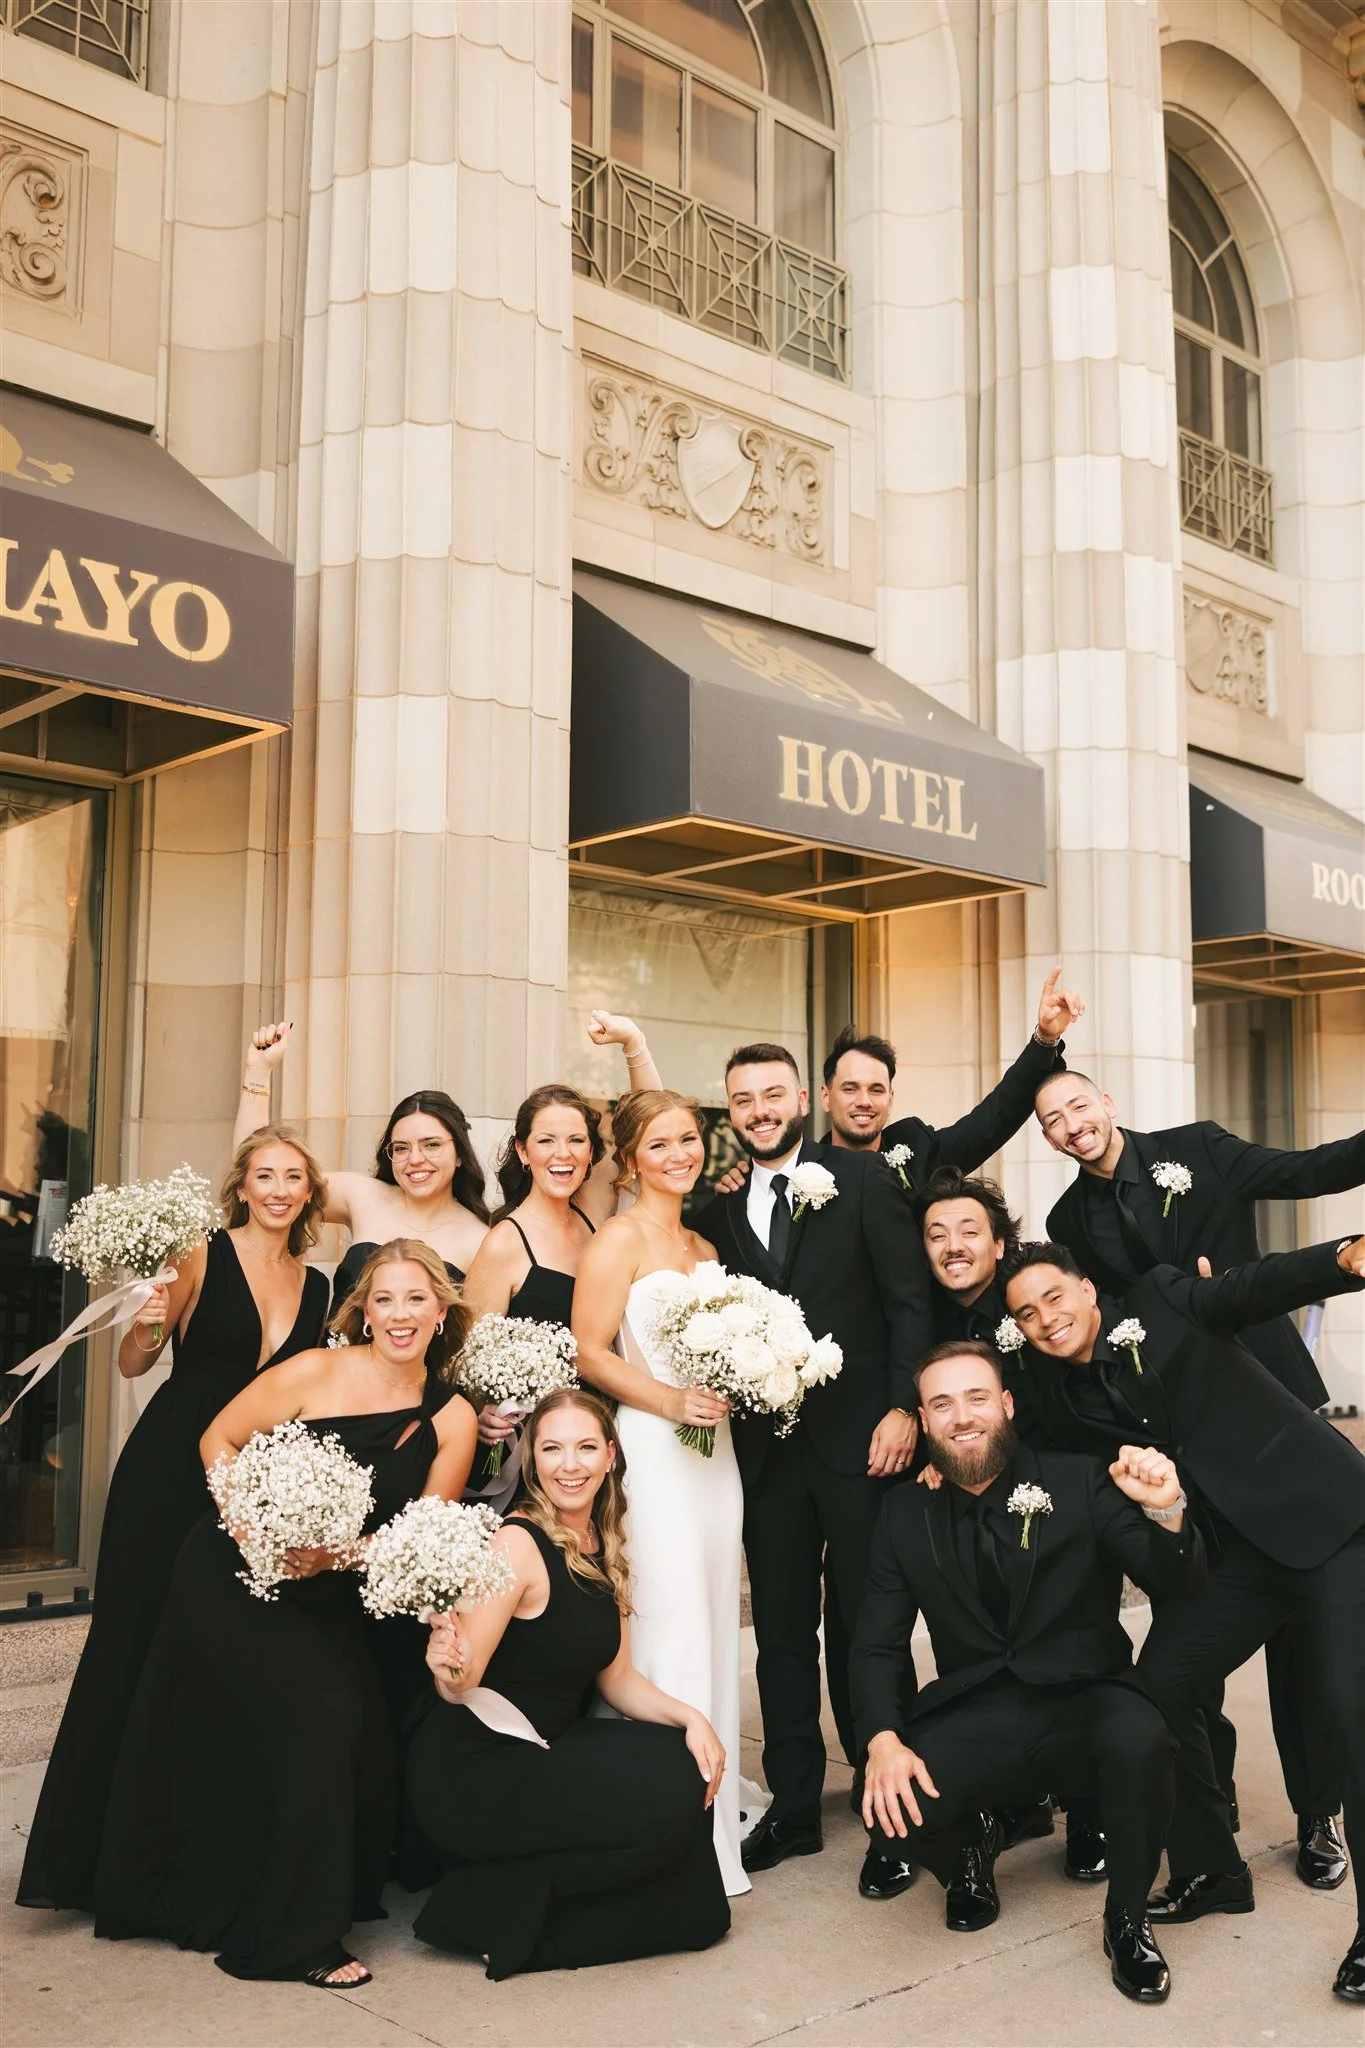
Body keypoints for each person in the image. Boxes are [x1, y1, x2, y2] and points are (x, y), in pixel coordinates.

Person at [93, 1241, 478, 1988]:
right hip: (228, 1575)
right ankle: (297, 1938)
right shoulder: (311, 1371)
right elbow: (219, 1438)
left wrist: (333, 1557)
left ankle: (290, 1901)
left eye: (415, 1300)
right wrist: (253, 1529)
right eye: (384, 1299)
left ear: (441, 1311)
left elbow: (418, 1534)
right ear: (362, 1310)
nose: (398, 1315)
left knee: (342, 1726)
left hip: (326, 1593)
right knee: (320, 1719)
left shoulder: (452, 1416)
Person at [1002, 1236, 1365, 2005]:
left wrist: (1340, 1261)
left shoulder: (1164, 1301)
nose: (1045, 1318)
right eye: (1026, 1314)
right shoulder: (1057, 1397)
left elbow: (1249, 1288)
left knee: (1346, 1714)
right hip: (1232, 1561)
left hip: (1329, 1525)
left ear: (1087, 1290)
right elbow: (1026, 1455)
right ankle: (1210, 1870)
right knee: (1158, 1687)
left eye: (1054, 1298)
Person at [1036, 1067, 1365, 1883]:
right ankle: (1204, 1820)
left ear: (1106, 1103)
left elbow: (1307, 1171)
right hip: (1177, 1427)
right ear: (1045, 1138)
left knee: (1306, 1649)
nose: (1071, 1124)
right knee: (1199, 1622)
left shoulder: (1198, 1148)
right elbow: (1106, 1325)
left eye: (1079, 1105)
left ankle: (1316, 1813)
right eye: (1052, 1119)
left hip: (1267, 1399)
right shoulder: (1065, 1218)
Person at [17, 1126, 331, 1914]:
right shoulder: (200, 1250)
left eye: (294, 1176)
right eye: (265, 1174)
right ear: (243, 1184)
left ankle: (195, 1857)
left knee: (222, 1659)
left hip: (256, 1478)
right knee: (131, 1643)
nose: (279, 1189)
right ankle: (86, 1862)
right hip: (168, 1469)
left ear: (310, 1193)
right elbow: (133, 1361)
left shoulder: (320, 1287)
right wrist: (152, 1317)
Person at [851, 1340, 1204, 2004]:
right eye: (942, 1404)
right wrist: (880, 1742)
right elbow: (874, 1644)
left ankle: (1124, 1921)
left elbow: (1176, 1581)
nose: (962, 1417)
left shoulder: (1079, 1480)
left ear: (1006, 1405)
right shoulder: (903, 1512)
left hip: (1085, 1699)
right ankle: (971, 1850)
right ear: (923, 1421)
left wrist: (1164, 1509)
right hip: (978, 1708)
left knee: (1141, 1738)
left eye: (976, 1398)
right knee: (888, 1809)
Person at [691, 1044, 933, 1873]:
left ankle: (885, 1800)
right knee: (783, 1638)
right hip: (766, 1456)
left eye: (771, 1093)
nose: (758, 1110)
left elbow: (909, 1301)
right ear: (729, 1112)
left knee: (869, 1631)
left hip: (862, 1443)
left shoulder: (860, 1180)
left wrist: (906, 1408)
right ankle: (793, 1807)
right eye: (741, 1099)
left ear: (801, 1097)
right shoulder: (714, 1207)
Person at [407, 1387, 732, 1977]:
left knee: (688, 1778)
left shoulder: (600, 1539)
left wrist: (693, 1719)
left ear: (611, 1454)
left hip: (550, 1745)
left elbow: (619, 1680)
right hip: (476, 1767)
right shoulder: (517, 1543)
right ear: (532, 1460)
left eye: (585, 1447)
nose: (570, 1464)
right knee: (663, 1805)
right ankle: (482, 1906)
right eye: (552, 1449)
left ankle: (518, 1896)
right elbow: (462, 1680)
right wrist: (446, 1662)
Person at [571, 1090, 748, 1896]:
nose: (678, 1154)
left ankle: (713, 1808)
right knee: (668, 1617)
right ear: (632, 1158)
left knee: (710, 1614)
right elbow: (587, 1352)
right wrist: (670, 1401)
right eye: (659, 1143)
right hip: (655, 1444)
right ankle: (666, 1820)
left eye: (688, 1140)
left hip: (717, 1456)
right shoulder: (618, 1236)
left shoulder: (705, 1242)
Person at [912, 1166, 1103, 1878]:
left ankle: (1090, 1809)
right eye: (936, 1234)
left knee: (1075, 1641)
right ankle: (1007, 1800)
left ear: (997, 1242)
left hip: (1065, 1486)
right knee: (985, 1643)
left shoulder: (1028, 1299)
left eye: (968, 1230)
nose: (953, 1245)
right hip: (977, 1496)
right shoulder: (923, 1310)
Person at [461, 1017, 661, 1464]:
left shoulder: (593, 1211)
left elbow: (651, 1121)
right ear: (523, 1151)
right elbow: (465, 1360)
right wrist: (482, 1412)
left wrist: (633, 1043)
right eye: (546, 1140)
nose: (562, 1154)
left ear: (592, 1151)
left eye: (576, 1140)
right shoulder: (504, 1245)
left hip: (612, 1428)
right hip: (535, 1450)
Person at [817, 968, 1080, 1166]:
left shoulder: (918, 1151)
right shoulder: (799, 1170)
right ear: (826, 1097)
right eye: (850, 1089)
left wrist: (1045, 1038)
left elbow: (994, 1119)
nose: (864, 1101)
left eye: (876, 1090)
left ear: (890, 1098)